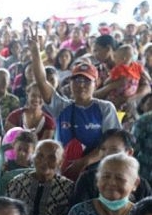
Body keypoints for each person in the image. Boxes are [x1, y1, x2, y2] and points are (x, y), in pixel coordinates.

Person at [28, 27, 120, 181]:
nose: (81, 85)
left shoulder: (105, 108)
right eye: (77, 80)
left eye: (86, 81)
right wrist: (36, 52)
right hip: (61, 173)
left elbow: (112, 146)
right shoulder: (62, 107)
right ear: (69, 84)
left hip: (95, 175)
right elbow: (41, 80)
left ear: (96, 83)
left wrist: (84, 162)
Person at [70, 129, 152, 206]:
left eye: (114, 150)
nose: (106, 154)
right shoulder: (87, 179)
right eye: (103, 149)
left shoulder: (141, 185)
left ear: (129, 152)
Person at [94, 44, 151, 109]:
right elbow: (145, 74)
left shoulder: (118, 68)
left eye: (115, 57)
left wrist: (106, 83)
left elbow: (110, 79)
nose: (114, 59)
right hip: (129, 91)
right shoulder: (137, 66)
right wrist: (110, 86)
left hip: (122, 96)